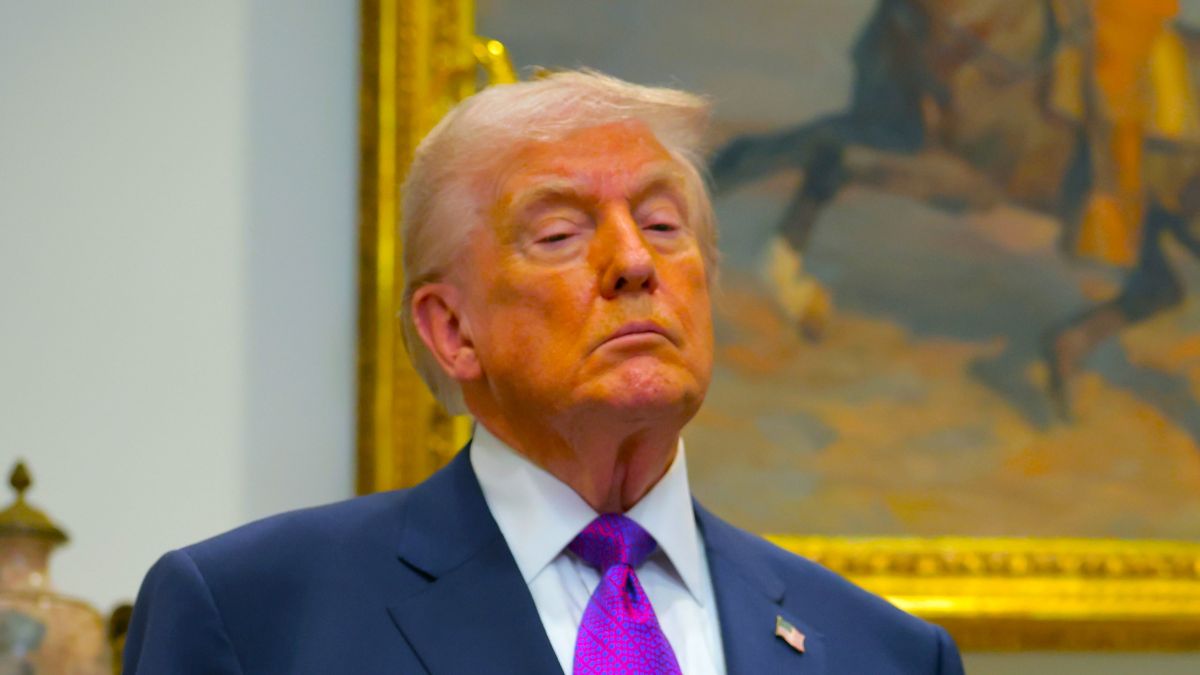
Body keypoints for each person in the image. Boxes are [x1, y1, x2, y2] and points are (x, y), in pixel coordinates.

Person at [123, 70, 965, 674]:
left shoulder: (883, 652)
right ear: (452, 330)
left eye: (665, 225)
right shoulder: (255, 615)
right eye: (560, 234)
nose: (635, 262)